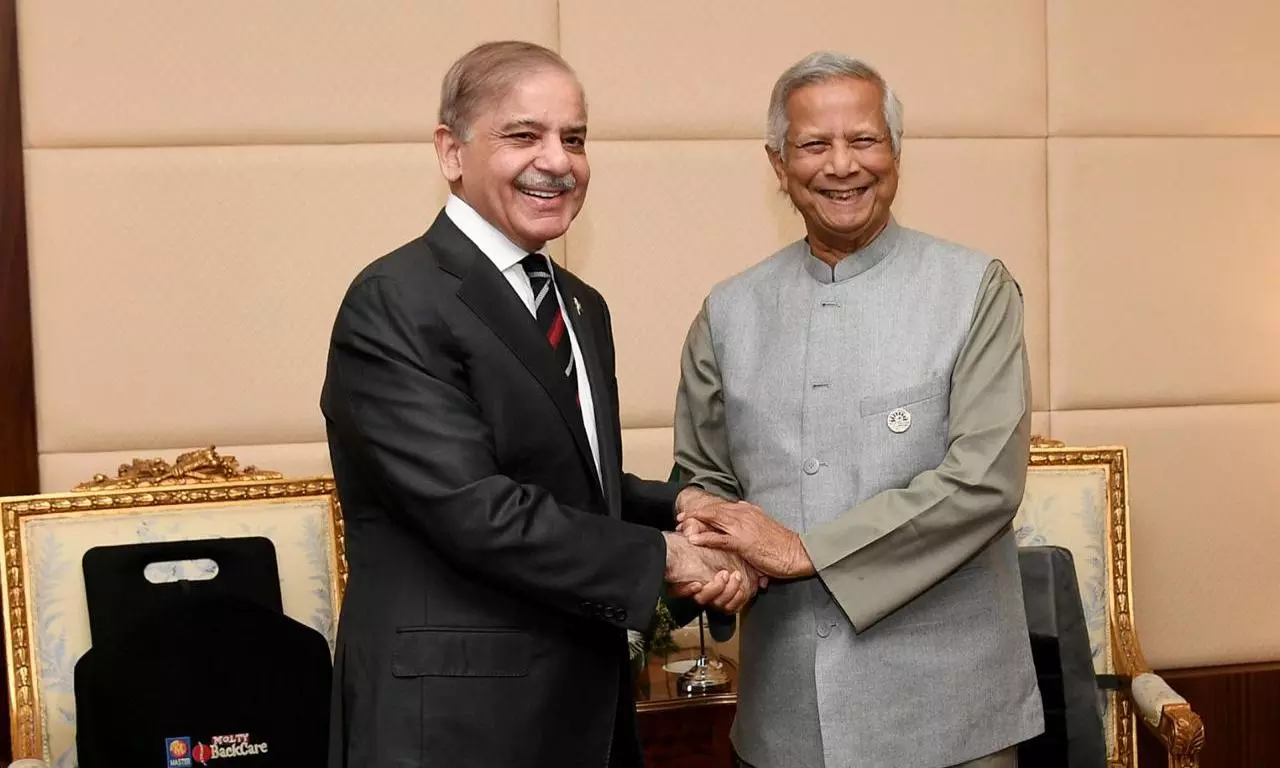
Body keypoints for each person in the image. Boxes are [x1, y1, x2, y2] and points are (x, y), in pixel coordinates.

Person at [320, 40, 754, 768]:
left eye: (574, 138)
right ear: (450, 152)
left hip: (579, 706)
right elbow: (475, 508)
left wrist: (681, 507)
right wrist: (666, 556)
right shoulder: (395, 301)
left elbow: (564, 483)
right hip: (453, 724)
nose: (557, 160)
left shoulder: (580, 305)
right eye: (523, 135)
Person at [673, 51, 1044, 768]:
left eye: (865, 140)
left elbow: (985, 481)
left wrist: (804, 551)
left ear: (896, 152)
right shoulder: (728, 312)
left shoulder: (975, 290)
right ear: (778, 164)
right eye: (814, 145)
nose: (842, 165)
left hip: (950, 721)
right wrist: (713, 551)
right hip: (784, 720)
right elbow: (704, 480)